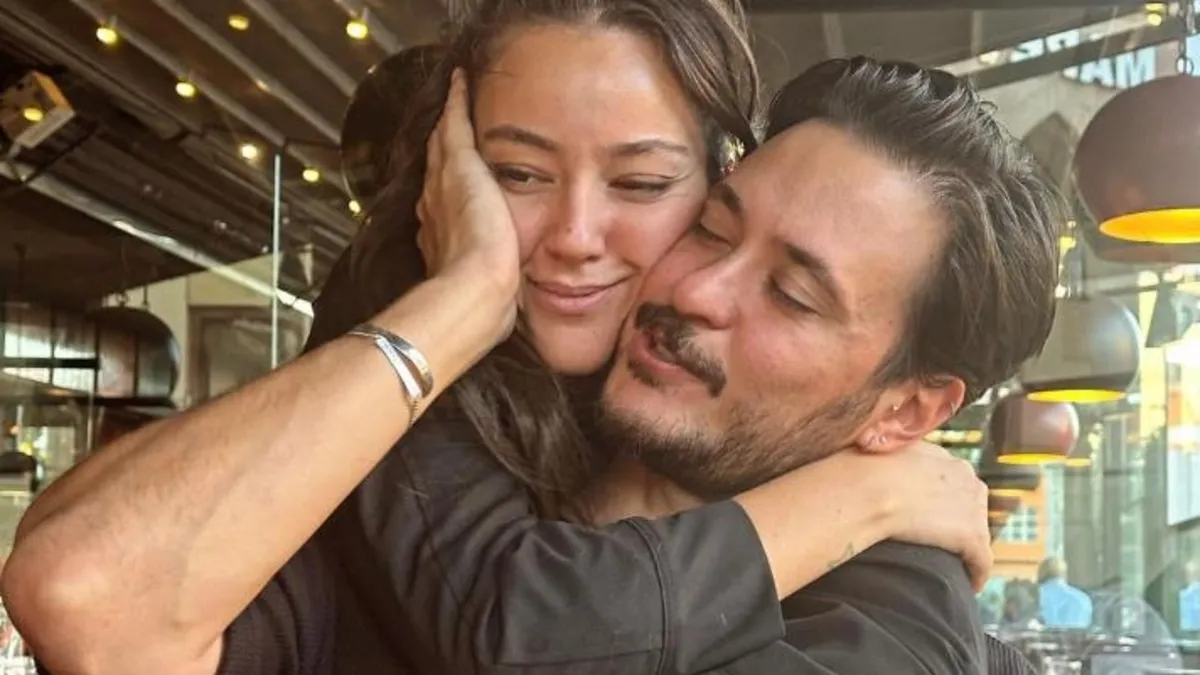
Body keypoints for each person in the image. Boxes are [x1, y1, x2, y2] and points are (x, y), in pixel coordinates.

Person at [1, 7, 1049, 675]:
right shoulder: (420, 475)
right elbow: (87, 596)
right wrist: (456, 300)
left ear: (908, 410)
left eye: (793, 295)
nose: (698, 288)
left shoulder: (885, 616)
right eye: (717, 228)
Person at [1037, 557, 1093, 629]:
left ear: (1041, 573)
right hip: (1076, 636)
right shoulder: (1083, 598)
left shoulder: (1037, 596)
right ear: (1064, 573)